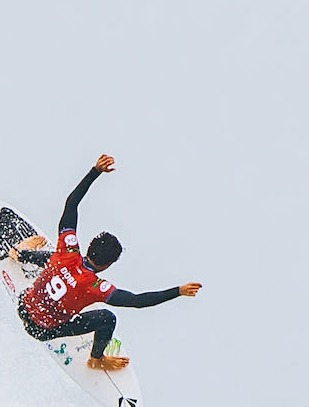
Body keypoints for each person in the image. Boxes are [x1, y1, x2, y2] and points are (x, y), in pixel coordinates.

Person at [12, 154, 199, 371]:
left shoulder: (68, 251)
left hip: (23, 305)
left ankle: (20, 254)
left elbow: (72, 204)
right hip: (41, 330)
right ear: (108, 265)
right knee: (107, 318)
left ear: (89, 246)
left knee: (57, 258)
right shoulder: (96, 287)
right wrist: (178, 291)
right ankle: (96, 360)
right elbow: (138, 301)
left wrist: (96, 171)